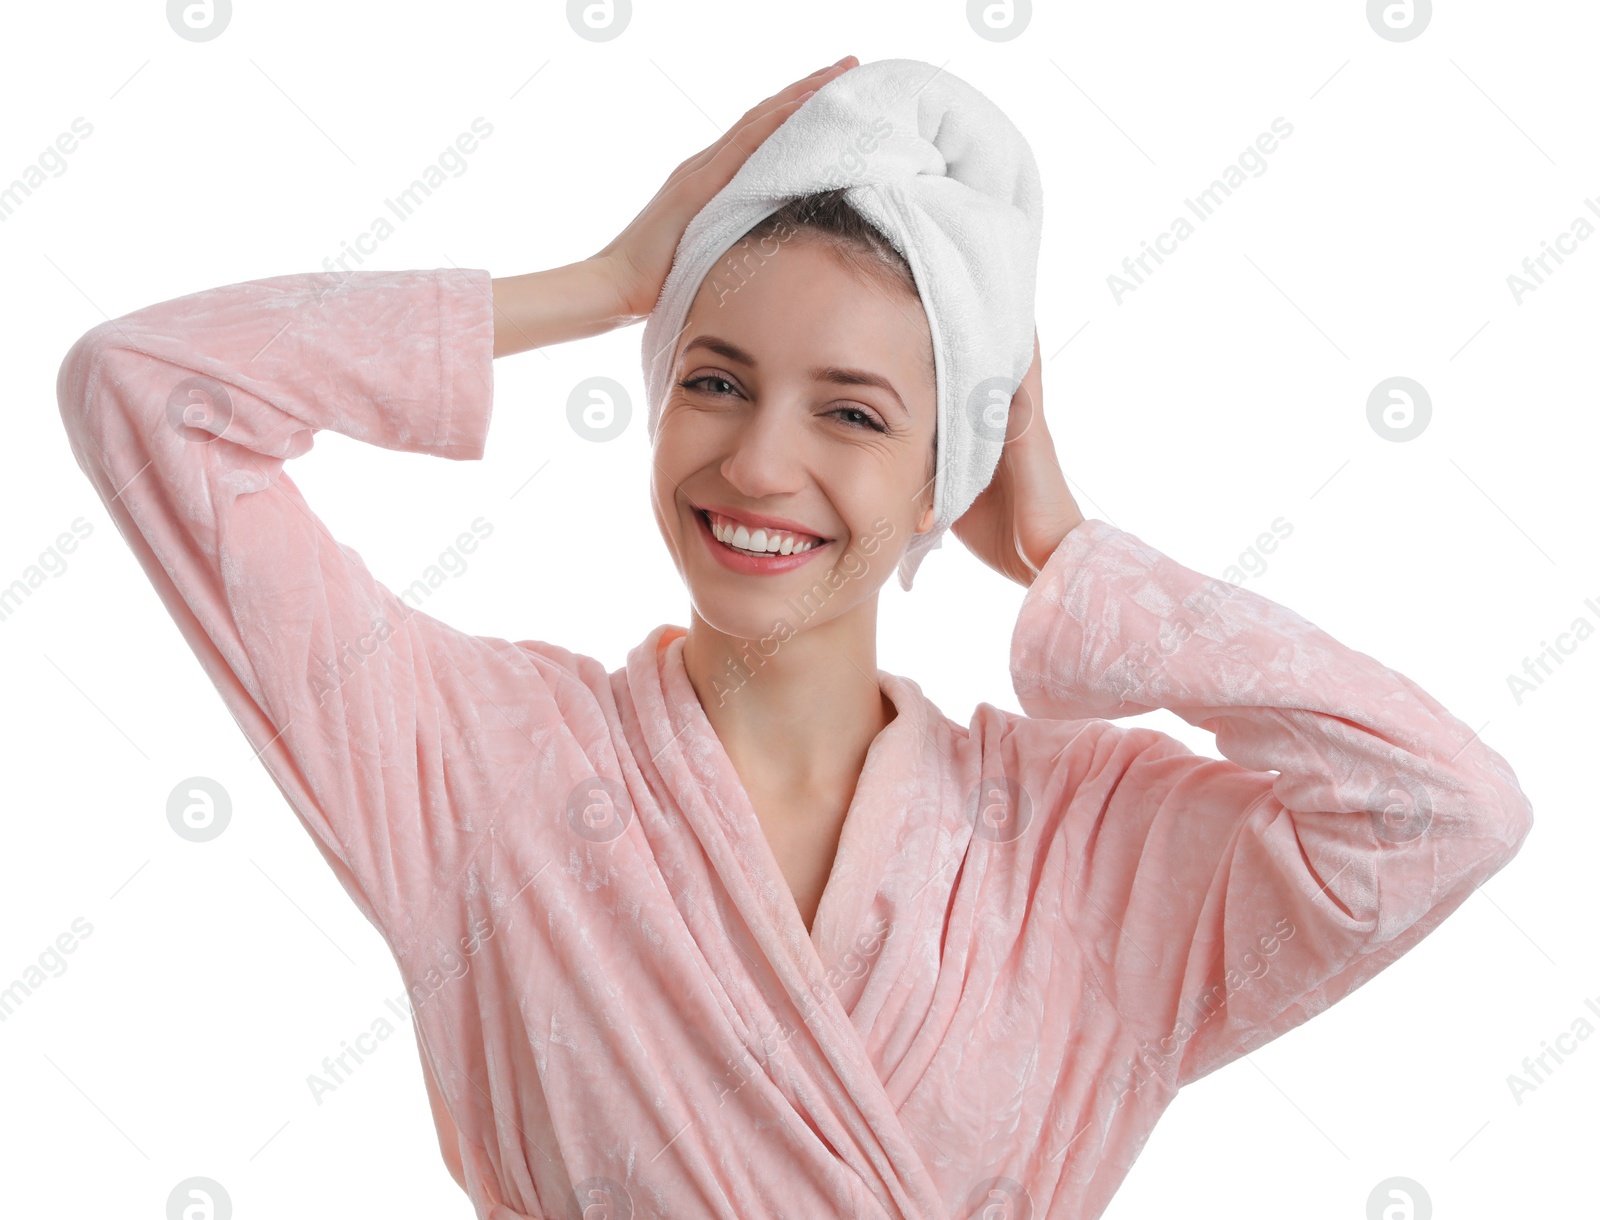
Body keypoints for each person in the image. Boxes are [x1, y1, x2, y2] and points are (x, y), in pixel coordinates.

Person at [56, 55, 1533, 1220]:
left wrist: (1073, 563)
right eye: (712, 378)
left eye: (852, 412)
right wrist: (611, 279)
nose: (759, 465)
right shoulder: (480, 760)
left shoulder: (1084, 846)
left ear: (944, 474)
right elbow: (145, 392)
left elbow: (1444, 811)